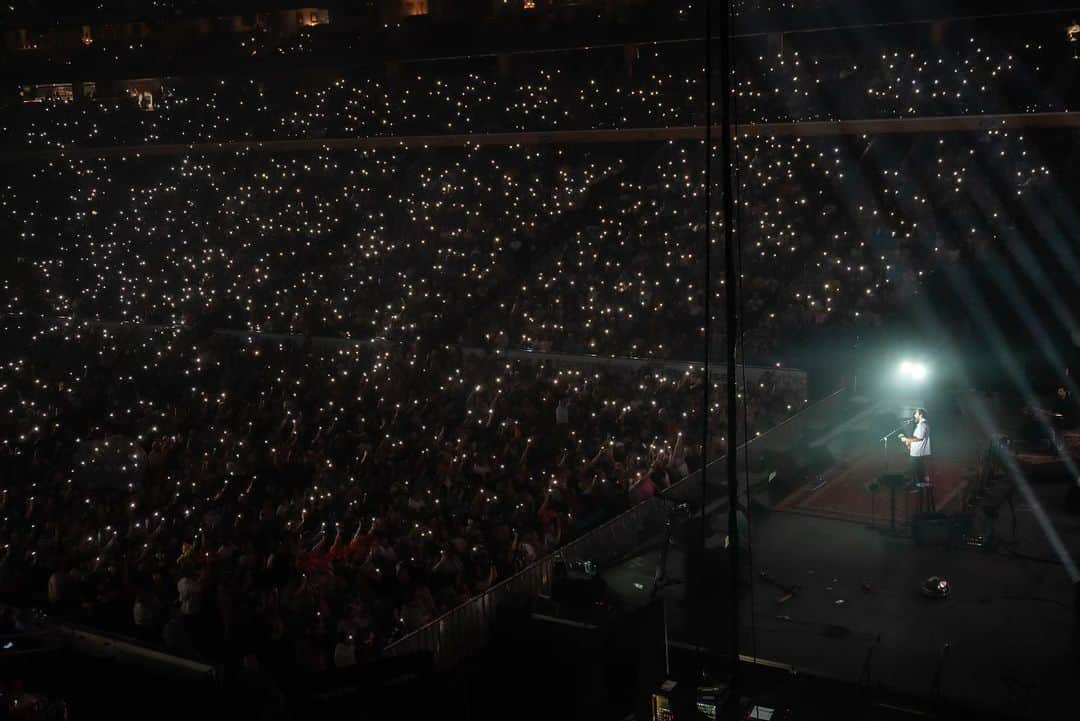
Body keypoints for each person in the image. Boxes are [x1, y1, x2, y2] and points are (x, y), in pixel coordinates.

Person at [900, 408, 931, 487]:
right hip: (917, 452)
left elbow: (919, 438)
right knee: (918, 469)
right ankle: (919, 484)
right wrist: (910, 443)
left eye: (916, 414)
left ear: (921, 415)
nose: (914, 415)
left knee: (915, 469)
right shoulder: (921, 424)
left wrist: (907, 439)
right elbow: (918, 438)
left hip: (918, 453)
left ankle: (919, 485)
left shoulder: (922, 425)